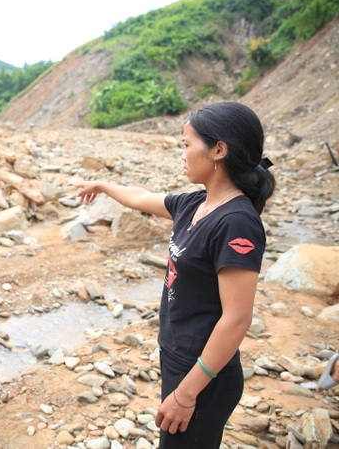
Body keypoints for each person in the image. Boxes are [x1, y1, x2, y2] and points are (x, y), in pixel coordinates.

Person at [76, 101, 276, 448]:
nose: (181, 154)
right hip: (179, 358)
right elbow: (140, 197)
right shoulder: (194, 204)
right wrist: (104, 185)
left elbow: (237, 319)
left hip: (205, 375)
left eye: (186, 144)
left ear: (218, 149)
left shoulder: (236, 222)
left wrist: (186, 394)